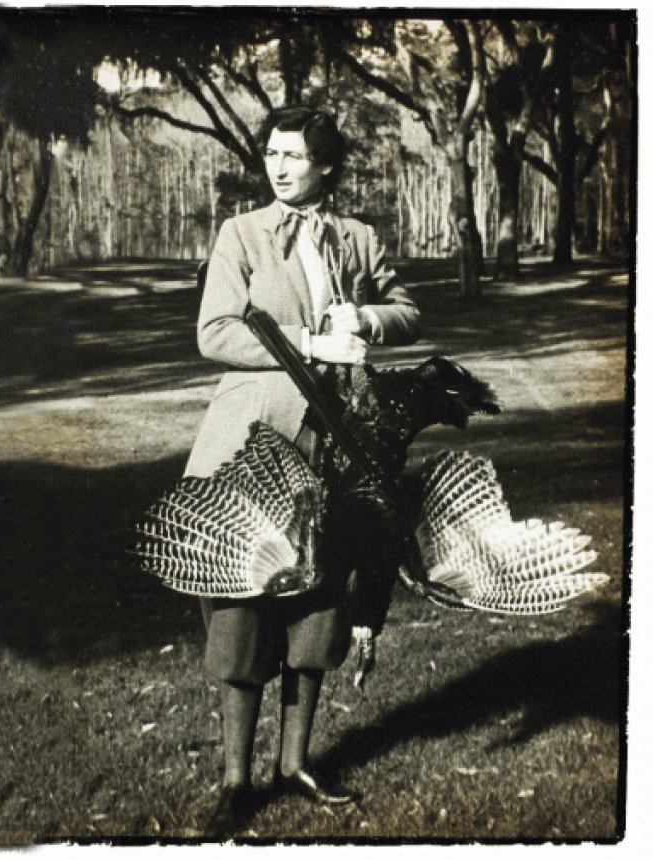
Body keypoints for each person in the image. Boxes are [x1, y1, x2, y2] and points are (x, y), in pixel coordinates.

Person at [184, 106, 421, 836]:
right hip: (255, 443)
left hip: (337, 450)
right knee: (242, 605)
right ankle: (235, 779)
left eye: (293, 155)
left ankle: (295, 764)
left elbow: (408, 309)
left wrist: (368, 322)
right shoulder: (243, 234)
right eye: (271, 153)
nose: (278, 166)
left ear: (326, 166)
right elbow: (215, 330)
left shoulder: (357, 238)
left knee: (320, 604)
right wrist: (309, 341)